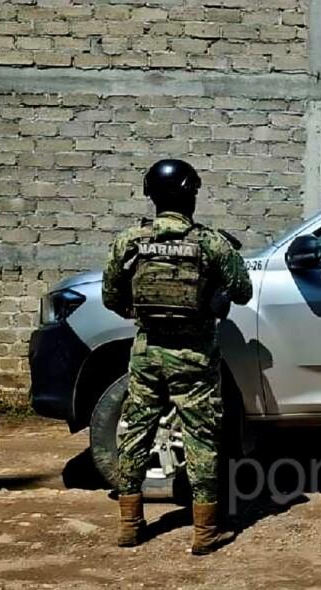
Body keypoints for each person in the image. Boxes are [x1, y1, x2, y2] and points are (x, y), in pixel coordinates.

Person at [102, 159, 253, 555]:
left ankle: (130, 525)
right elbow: (243, 291)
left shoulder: (130, 241)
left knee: (135, 432)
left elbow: (110, 297)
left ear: (151, 195)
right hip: (195, 357)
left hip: (147, 352)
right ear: (191, 196)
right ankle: (204, 532)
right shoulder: (210, 243)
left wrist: (141, 312)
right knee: (201, 437)